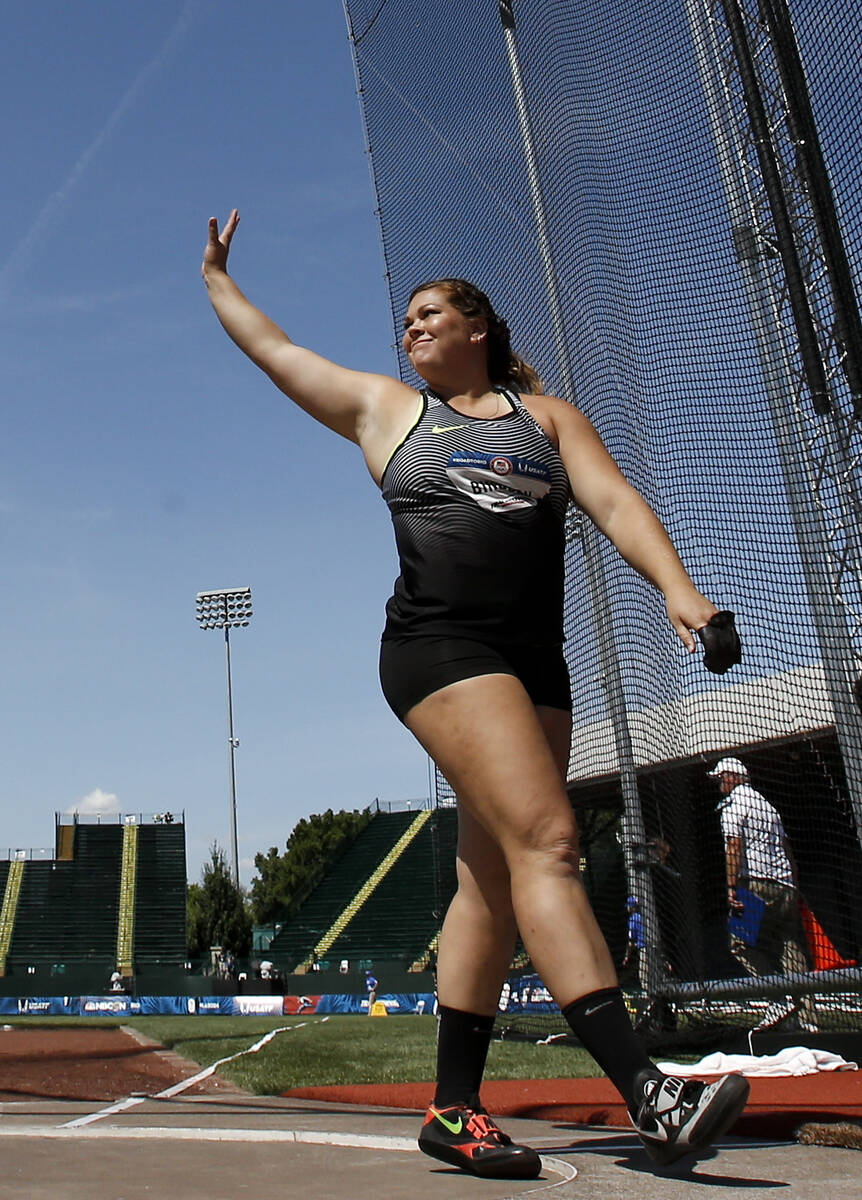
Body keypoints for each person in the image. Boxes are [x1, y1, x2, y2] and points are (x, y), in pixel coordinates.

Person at [202, 210, 748, 1179]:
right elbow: (279, 353)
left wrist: (681, 592)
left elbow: (617, 505)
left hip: (536, 664)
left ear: (477, 329)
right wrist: (219, 284)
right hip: (437, 651)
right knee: (549, 844)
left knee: (489, 879)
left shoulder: (548, 423)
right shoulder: (389, 414)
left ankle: (454, 1110)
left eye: (426, 315)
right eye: (404, 322)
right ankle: (649, 1090)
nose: (408, 330)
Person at [708, 758, 817, 1032]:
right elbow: (787, 848)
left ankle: (778, 1000)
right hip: (785, 885)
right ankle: (807, 1020)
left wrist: (731, 886)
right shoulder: (768, 806)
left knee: (739, 943)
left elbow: (734, 846)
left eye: (722, 777)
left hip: (755, 882)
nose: (720, 783)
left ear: (733, 777)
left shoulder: (735, 805)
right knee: (789, 944)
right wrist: (793, 884)